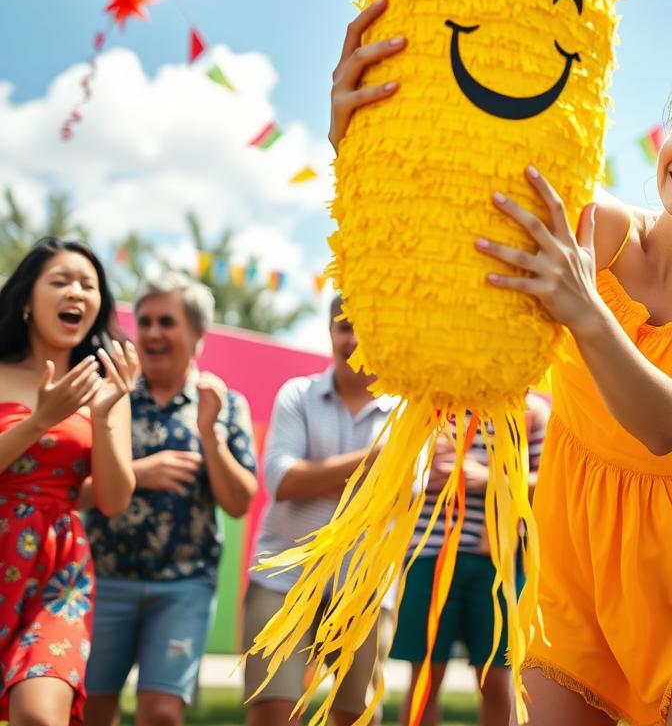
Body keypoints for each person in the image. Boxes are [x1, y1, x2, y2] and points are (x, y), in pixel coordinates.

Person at [329, 2, 672, 726]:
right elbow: (434, 228)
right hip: (573, 575)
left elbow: (670, 421)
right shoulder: (594, 227)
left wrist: (582, 306)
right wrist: (353, 134)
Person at [83, 272, 258, 726]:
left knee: (161, 713)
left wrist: (209, 434)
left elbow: (239, 502)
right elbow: (74, 488)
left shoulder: (226, 404)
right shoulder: (110, 394)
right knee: (88, 710)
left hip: (183, 585)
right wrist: (139, 474)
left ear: (198, 334)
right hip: (105, 578)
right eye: (145, 322)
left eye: (167, 321)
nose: (154, 333)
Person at [243, 295, 396, 726]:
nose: (354, 338)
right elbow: (281, 481)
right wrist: (370, 462)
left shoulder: (408, 409)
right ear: (330, 333)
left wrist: (317, 476)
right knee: (275, 712)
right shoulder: (297, 394)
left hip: (364, 590)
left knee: (355, 716)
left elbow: (402, 496)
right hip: (282, 581)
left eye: (366, 325)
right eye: (345, 327)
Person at [0, 238, 135, 726]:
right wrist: (40, 419)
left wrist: (102, 417)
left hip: (60, 569)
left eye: (88, 284)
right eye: (59, 281)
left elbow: (115, 501)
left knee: (39, 716)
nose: (76, 291)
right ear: (25, 301)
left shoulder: (108, 387)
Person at [391, 392, 548, 726]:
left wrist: (489, 479)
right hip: (429, 555)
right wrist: (422, 477)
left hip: (497, 562)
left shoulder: (531, 411)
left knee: (494, 678)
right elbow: (394, 474)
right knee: (424, 677)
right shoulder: (431, 400)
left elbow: (550, 480)